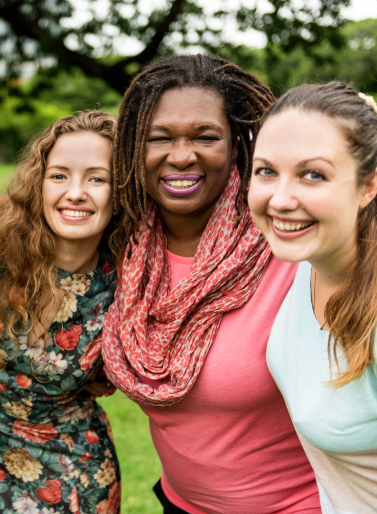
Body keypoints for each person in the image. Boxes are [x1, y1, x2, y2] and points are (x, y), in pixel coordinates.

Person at [101, 54, 321, 513]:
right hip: (182, 504)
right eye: (159, 138)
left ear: (239, 143)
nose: (181, 156)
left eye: (205, 137)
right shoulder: (122, 246)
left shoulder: (290, 247)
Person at [0, 110, 122, 514]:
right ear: (38, 184)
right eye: (59, 175)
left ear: (121, 192)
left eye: (97, 178)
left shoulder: (127, 279)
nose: (75, 192)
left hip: (78, 474)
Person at [249, 82, 377, 514]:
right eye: (266, 170)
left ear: (368, 186)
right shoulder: (306, 261)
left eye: (313, 174)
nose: (281, 200)